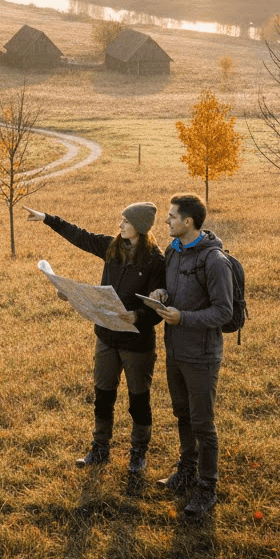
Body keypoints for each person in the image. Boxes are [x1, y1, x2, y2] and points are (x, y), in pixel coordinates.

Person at [25, 202, 165, 475]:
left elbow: (157, 308)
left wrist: (137, 316)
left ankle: (138, 453)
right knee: (103, 396)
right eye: (121, 219)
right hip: (106, 337)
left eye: (126, 221)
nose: (120, 225)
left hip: (136, 342)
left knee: (138, 401)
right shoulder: (111, 247)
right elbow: (80, 236)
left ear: (140, 226)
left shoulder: (155, 261)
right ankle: (100, 449)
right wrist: (46, 218)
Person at [152, 192, 233, 517]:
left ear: (188, 222)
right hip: (174, 350)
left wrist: (183, 318)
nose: (167, 220)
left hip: (201, 355)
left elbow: (224, 311)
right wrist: (162, 294)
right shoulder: (173, 251)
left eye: (172, 216)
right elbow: (175, 290)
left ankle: (207, 486)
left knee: (202, 423)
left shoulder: (214, 260)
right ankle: (186, 471)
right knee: (182, 414)